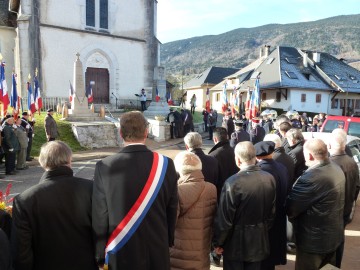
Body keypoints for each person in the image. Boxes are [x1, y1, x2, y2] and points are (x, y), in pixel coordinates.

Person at [92, 111, 178, 270]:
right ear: (146, 132)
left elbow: (100, 214)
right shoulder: (166, 164)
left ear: (120, 133)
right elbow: (172, 208)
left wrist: (99, 253)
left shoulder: (104, 166)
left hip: (121, 250)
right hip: (157, 247)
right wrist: (168, 239)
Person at [11, 141, 97, 270]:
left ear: (41, 162)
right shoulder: (92, 189)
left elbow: (21, 251)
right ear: (69, 160)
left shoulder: (25, 199)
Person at [213, 141, 276, 270]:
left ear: (237, 159)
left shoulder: (233, 182)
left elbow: (225, 220)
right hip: (258, 240)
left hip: (235, 245)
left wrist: (218, 242)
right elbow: (272, 213)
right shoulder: (269, 178)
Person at [286, 138, 345, 270]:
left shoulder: (311, 178)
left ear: (309, 155)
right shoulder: (336, 168)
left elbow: (291, 208)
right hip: (333, 237)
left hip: (313, 243)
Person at [171, 151, 217, 270]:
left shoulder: (177, 191)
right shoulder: (211, 188)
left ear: (179, 169)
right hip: (202, 252)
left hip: (179, 255)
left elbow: (169, 225)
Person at [328, 128, 360, 268]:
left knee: (330, 248)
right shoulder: (352, 162)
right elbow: (357, 187)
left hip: (332, 212)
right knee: (339, 241)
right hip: (345, 209)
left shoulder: (330, 164)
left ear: (330, 145)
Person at [254, 141, 288, 270]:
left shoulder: (260, 171)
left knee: (265, 255)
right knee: (273, 251)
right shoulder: (282, 167)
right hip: (280, 214)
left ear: (257, 156)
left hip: (266, 218)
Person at [208, 127, 238, 196]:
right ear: (227, 137)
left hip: (221, 192)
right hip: (236, 188)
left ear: (215, 139)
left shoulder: (212, 156)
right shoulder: (235, 151)